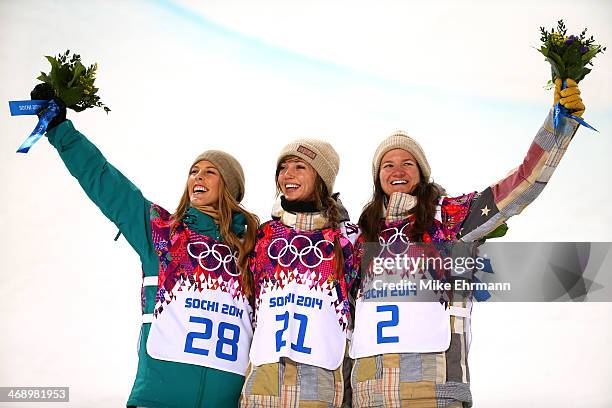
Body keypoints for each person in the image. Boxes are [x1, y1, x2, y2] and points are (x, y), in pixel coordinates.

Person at [349, 79, 585, 407]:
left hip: (435, 393)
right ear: (378, 177)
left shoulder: (450, 218)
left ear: (422, 172)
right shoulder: (360, 237)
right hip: (368, 396)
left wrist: (560, 123)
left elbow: (521, 186)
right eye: (388, 164)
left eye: (408, 162)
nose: (397, 170)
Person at [29, 84, 260, 408]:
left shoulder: (253, 249)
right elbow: (104, 179)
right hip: (156, 398)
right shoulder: (162, 232)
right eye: (194, 171)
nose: (198, 177)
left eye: (210, 172)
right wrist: (59, 129)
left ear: (231, 187)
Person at [240, 139, 360, 407]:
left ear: (321, 177)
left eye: (299, 166)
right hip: (262, 388)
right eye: (283, 167)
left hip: (324, 388)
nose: (287, 175)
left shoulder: (349, 239)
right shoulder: (262, 237)